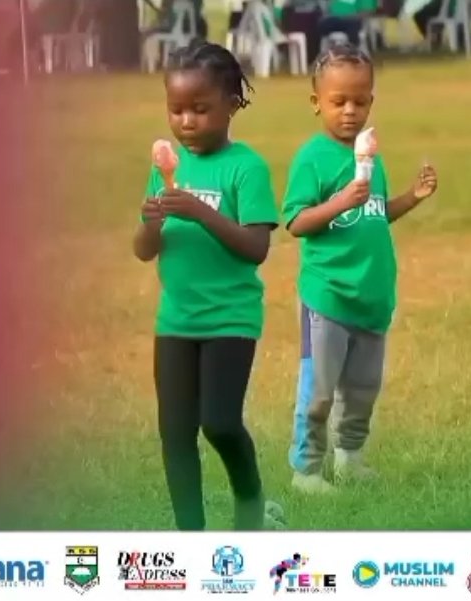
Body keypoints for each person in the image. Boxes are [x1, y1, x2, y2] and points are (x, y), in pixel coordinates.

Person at [133, 40, 284, 531]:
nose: (186, 122)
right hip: (175, 320)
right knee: (175, 432)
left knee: (218, 422)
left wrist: (199, 211)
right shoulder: (165, 170)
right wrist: (152, 221)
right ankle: (189, 537)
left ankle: (251, 501)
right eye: (176, 110)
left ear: (231, 104)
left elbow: (255, 247)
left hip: (230, 319)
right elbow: (143, 248)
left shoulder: (247, 167)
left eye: (200, 109)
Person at [283, 43, 438, 494]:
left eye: (360, 100)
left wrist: (411, 197)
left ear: (372, 100)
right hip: (328, 297)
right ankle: (306, 471)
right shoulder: (312, 158)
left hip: (372, 296)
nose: (350, 111)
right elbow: (295, 222)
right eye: (338, 102)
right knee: (319, 391)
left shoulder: (372, 157)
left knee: (363, 388)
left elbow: (372, 214)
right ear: (317, 103)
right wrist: (338, 201)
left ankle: (350, 457)